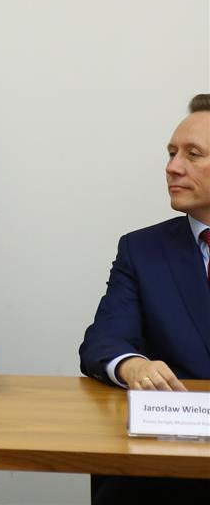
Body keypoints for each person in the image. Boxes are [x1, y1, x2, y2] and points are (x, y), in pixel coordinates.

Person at [79, 93, 210, 504]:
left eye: (193, 154)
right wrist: (133, 365)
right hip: (170, 460)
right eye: (172, 153)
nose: (173, 167)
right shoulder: (142, 250)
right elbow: (103, 342)